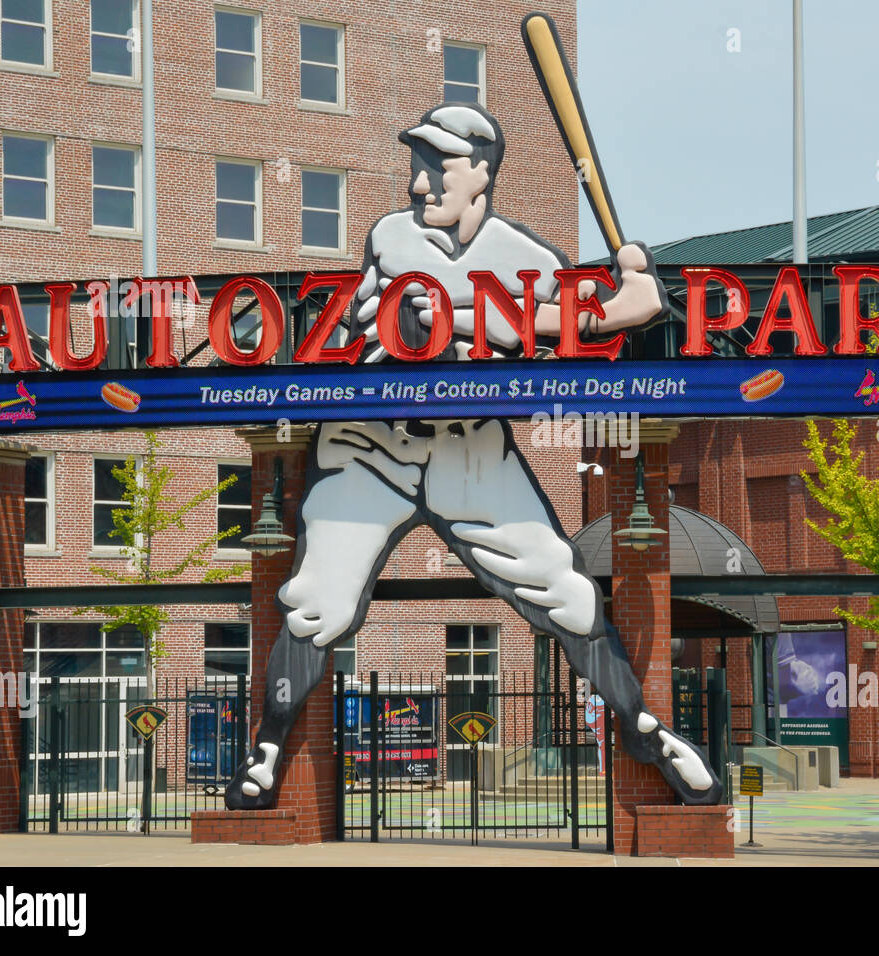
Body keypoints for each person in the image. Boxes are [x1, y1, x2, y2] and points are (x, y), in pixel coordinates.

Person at [226, 103, 722, 810]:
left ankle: (647, 732)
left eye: (440, 166)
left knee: (572, 594)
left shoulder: (532, 260)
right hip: (374, 443)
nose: (420, 184)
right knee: (316, 605)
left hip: (472, 448)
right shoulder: (393, 238)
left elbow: (557, 328)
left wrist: (637, 300)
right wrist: (613, 311)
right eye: (416, 166)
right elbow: (444, 319)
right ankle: (268, 750)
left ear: (483, 172)